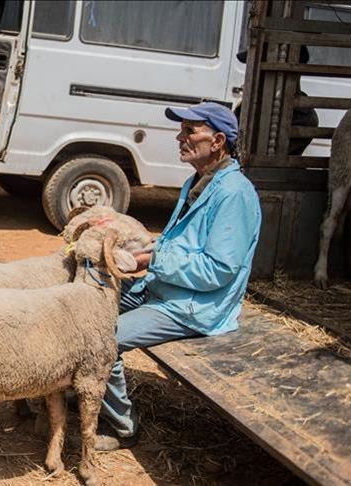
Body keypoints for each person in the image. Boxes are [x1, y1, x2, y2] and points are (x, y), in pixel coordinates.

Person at [96, 102, 261, 451]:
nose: (179, 137)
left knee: (102, 342)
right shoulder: (199, 181)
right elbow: (179, 244)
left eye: (189, 131)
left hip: (191, 304)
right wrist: (144, 254)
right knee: (87, 299)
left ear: (217, 140)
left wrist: (153, 261)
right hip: (161, 287)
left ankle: (123, 426)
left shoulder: (234, 194)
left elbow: (218, 270)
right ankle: (85, 389)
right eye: (181, 130)